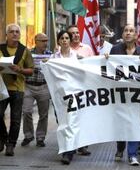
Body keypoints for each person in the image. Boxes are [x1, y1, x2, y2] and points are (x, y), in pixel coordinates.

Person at [109, 24, 140, 166]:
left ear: (136, 35)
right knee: (121, 123)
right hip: (119, 94)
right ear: (123, 34)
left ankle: (132, 154)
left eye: (131, 31)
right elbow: (109, 69)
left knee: (134, 124)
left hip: (136, 95)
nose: (128, 33)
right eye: (126, 30)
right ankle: (120, 148)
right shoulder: (115, 50)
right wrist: (107, 59)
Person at [0, 23, 34, 156]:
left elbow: (31, 70)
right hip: (1, 88)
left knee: (15, 118)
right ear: (6, 34)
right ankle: (2, 136)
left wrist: (20, 69)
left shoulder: (25, 50)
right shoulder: (1, 48)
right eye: (12, 31)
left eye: (17, 32)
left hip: (18, 88)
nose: (15, 34)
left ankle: (11, 144)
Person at [51, 30, 79, 165]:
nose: (65, 40)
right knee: (62, 122)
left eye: (67, 38)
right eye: (62, 38)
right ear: (58, 41)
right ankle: (68, 147)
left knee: (71, 122)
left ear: (70, 40)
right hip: (59, 96)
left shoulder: (76, 57)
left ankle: (68, 151)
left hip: (74, 95)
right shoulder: (54, 58)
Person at [21, 33, 52, 147]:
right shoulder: (28, 53)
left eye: (46, 40)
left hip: (43, 86)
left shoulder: (50, 54)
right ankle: (28, 135)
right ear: (36, 41)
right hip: (28, 86)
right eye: (43, 40)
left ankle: (40, 137)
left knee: (43, 114)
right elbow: (21, 67)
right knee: (26, 111)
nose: (45, 43)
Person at [67, 25, 93, 156]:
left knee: (83, 118)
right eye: (72, 33)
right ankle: (70, 145)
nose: (76, 35)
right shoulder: (63, 49)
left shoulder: (87, 49)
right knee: (69, 119)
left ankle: (82, 145)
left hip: (83, 88)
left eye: (77, 32)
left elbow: (93, 66)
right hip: (67, 89)